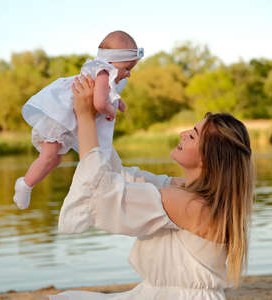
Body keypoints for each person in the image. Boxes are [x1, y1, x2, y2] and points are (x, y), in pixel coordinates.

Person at [48, 75, 255, 299]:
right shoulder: (187, 192)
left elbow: (100, 194)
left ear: (207, 158)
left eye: (193, 135)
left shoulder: (188, 204)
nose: (183, 134)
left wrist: (85, 117)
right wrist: (97, 120)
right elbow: (122, 178)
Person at [13, 31, 144, 209]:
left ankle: (28, 184)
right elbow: (99, 102)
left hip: (66, 118)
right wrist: (110, 109)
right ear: (113, 62)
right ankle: (24, 185)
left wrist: (118, 101)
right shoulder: (104, 73)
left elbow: (106, 94)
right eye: (127, 69)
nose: (128, 74)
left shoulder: (105, 75)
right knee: (49, 156)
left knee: (55, 159)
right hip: (58, 118)